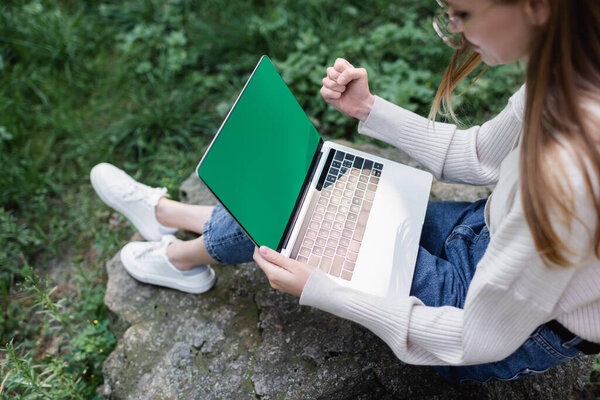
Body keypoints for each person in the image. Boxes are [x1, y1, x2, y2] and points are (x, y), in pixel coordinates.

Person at [91, 0, 600, 383]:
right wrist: (368, 109)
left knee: (309, 213)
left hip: (480, 317)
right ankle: (175, 219)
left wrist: (324, 289)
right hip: (481, 237)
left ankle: (180, 253)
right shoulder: (571, 70)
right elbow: (478, 156)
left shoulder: (568, 175)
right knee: (325, 178)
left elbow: (476, 337)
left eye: (462, 12)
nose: (456, 31)